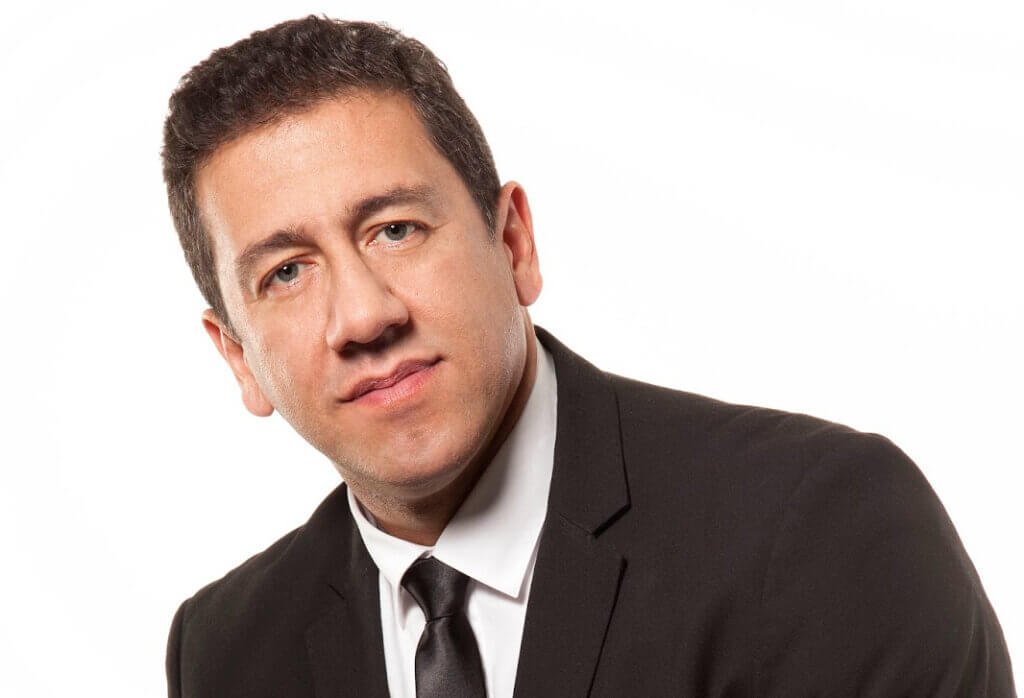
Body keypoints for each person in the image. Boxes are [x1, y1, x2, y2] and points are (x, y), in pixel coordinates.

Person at [162, 15, 1015, 698]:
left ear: (514, 244)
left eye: (396, 229)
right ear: (238, 357)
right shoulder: (227, 651)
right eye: (285, 273)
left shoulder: (821, 531)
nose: (363, 316)